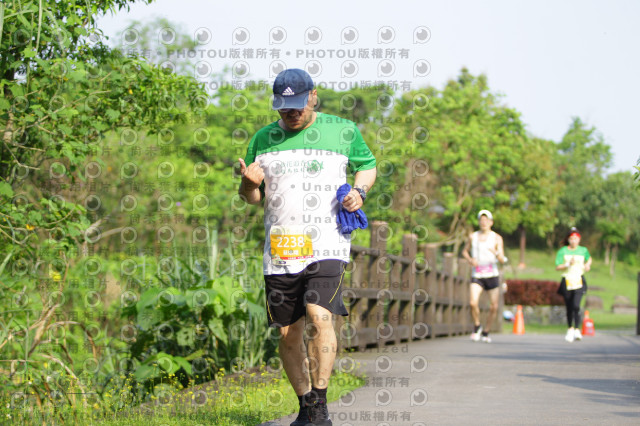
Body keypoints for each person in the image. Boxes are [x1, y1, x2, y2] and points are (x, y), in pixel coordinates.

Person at [238, 68, 377, 426]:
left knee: (319, 315)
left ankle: (322, 404)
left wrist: (359, 192)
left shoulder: (343, 130)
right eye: (284, 107)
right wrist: (247, 185)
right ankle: (306, 406)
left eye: (298, 104)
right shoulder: (262, 139)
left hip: (328, 242)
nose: (291, 112)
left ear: (313, 96)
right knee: (289, 333)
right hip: (282, 247)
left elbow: (367, 166)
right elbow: (252, 197)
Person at [461, 210, 507, 343]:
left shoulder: (497, 238)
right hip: (477, 273)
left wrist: (496, 253)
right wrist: (470, 260)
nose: (484, 223)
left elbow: (502, 259)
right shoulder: (473, 236)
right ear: (479, 222)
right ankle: (477, 326)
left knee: (494, 306)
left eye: (486, 220)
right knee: (472, 302)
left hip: (492, 274)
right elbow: (464, 251)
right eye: (481, 220)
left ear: (491, 222)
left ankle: (486, 331)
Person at [555, 227, 591, 342]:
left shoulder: (583, 250)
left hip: (579, 280)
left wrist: (587, 265)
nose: (573, 241)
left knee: (576, 305)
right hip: (567, 280)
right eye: (571, 239)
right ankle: (570, 328)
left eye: (575, 238)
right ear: (568, 240)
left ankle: (577, 329)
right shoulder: (563, 251)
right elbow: (557, 266)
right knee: (569, 306)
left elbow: (589, 259)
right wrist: (567, 264)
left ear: (579, 239)